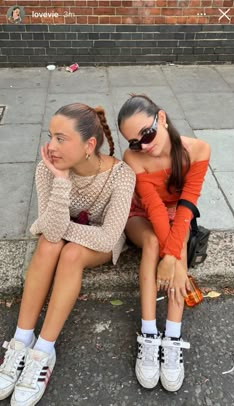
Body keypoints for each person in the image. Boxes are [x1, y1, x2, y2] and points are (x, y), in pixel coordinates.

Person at [0, 103, 135, 406]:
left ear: (89, 145)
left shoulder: (122, 176)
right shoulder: (46, 168)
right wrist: (60, 182)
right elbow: (49, 234)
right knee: (50, 245)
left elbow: (107, 237)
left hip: (101, 244)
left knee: (70, 251)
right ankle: (21, 342)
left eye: (61, 139)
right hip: (66, 234)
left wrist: (55, 228)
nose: (51, 146)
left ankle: (43, 351)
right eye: (50, 136)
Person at [117, 94, 210, 392]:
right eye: (134, 141)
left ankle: (172, 336)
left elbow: (187, 205)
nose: (143, 145)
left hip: (177, 214)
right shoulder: (133, 158)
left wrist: (174, 255)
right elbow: (152, 207)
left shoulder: (197, 150)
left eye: (147, 133)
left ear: (162, 117)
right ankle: (148, 334)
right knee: (157, 243)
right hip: (140, 215)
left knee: (177, 239)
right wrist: (170, 257)